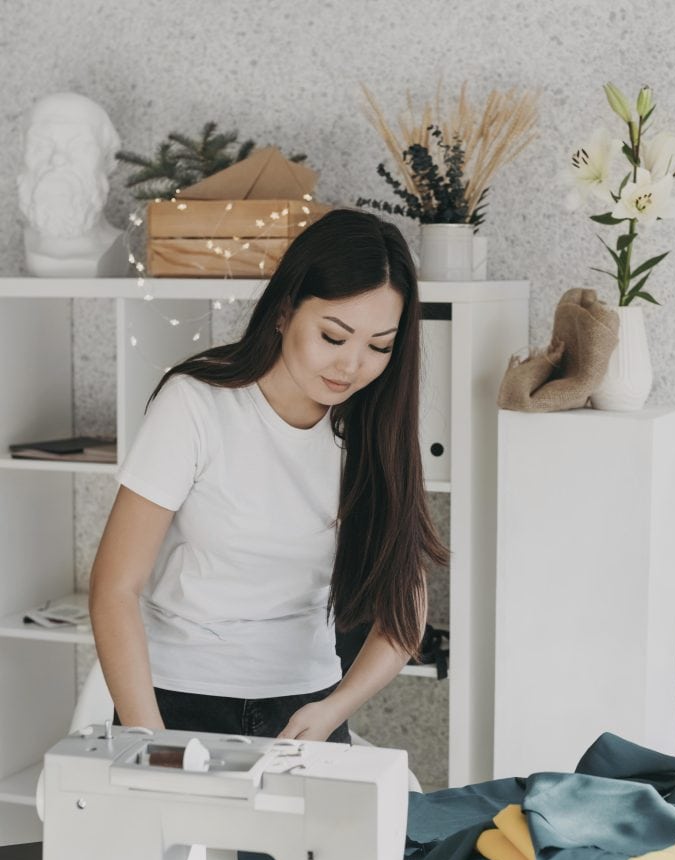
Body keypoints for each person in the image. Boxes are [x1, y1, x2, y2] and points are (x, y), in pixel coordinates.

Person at [89, 208, 448, 744]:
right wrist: (151, 743)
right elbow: (114, 588)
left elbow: (405, 603)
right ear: (284, 312)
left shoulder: (371, 429)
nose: (351, 366)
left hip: (305, 704)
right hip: (177, 700)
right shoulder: (196, 404)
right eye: (333, 336)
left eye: (378, 346)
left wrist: (333, 709)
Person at [17, 91, 127, 277]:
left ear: (108, 161)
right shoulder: (25, 243)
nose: (58, 159)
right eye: (41, 146)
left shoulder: (119, 247)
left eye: (79, 147)